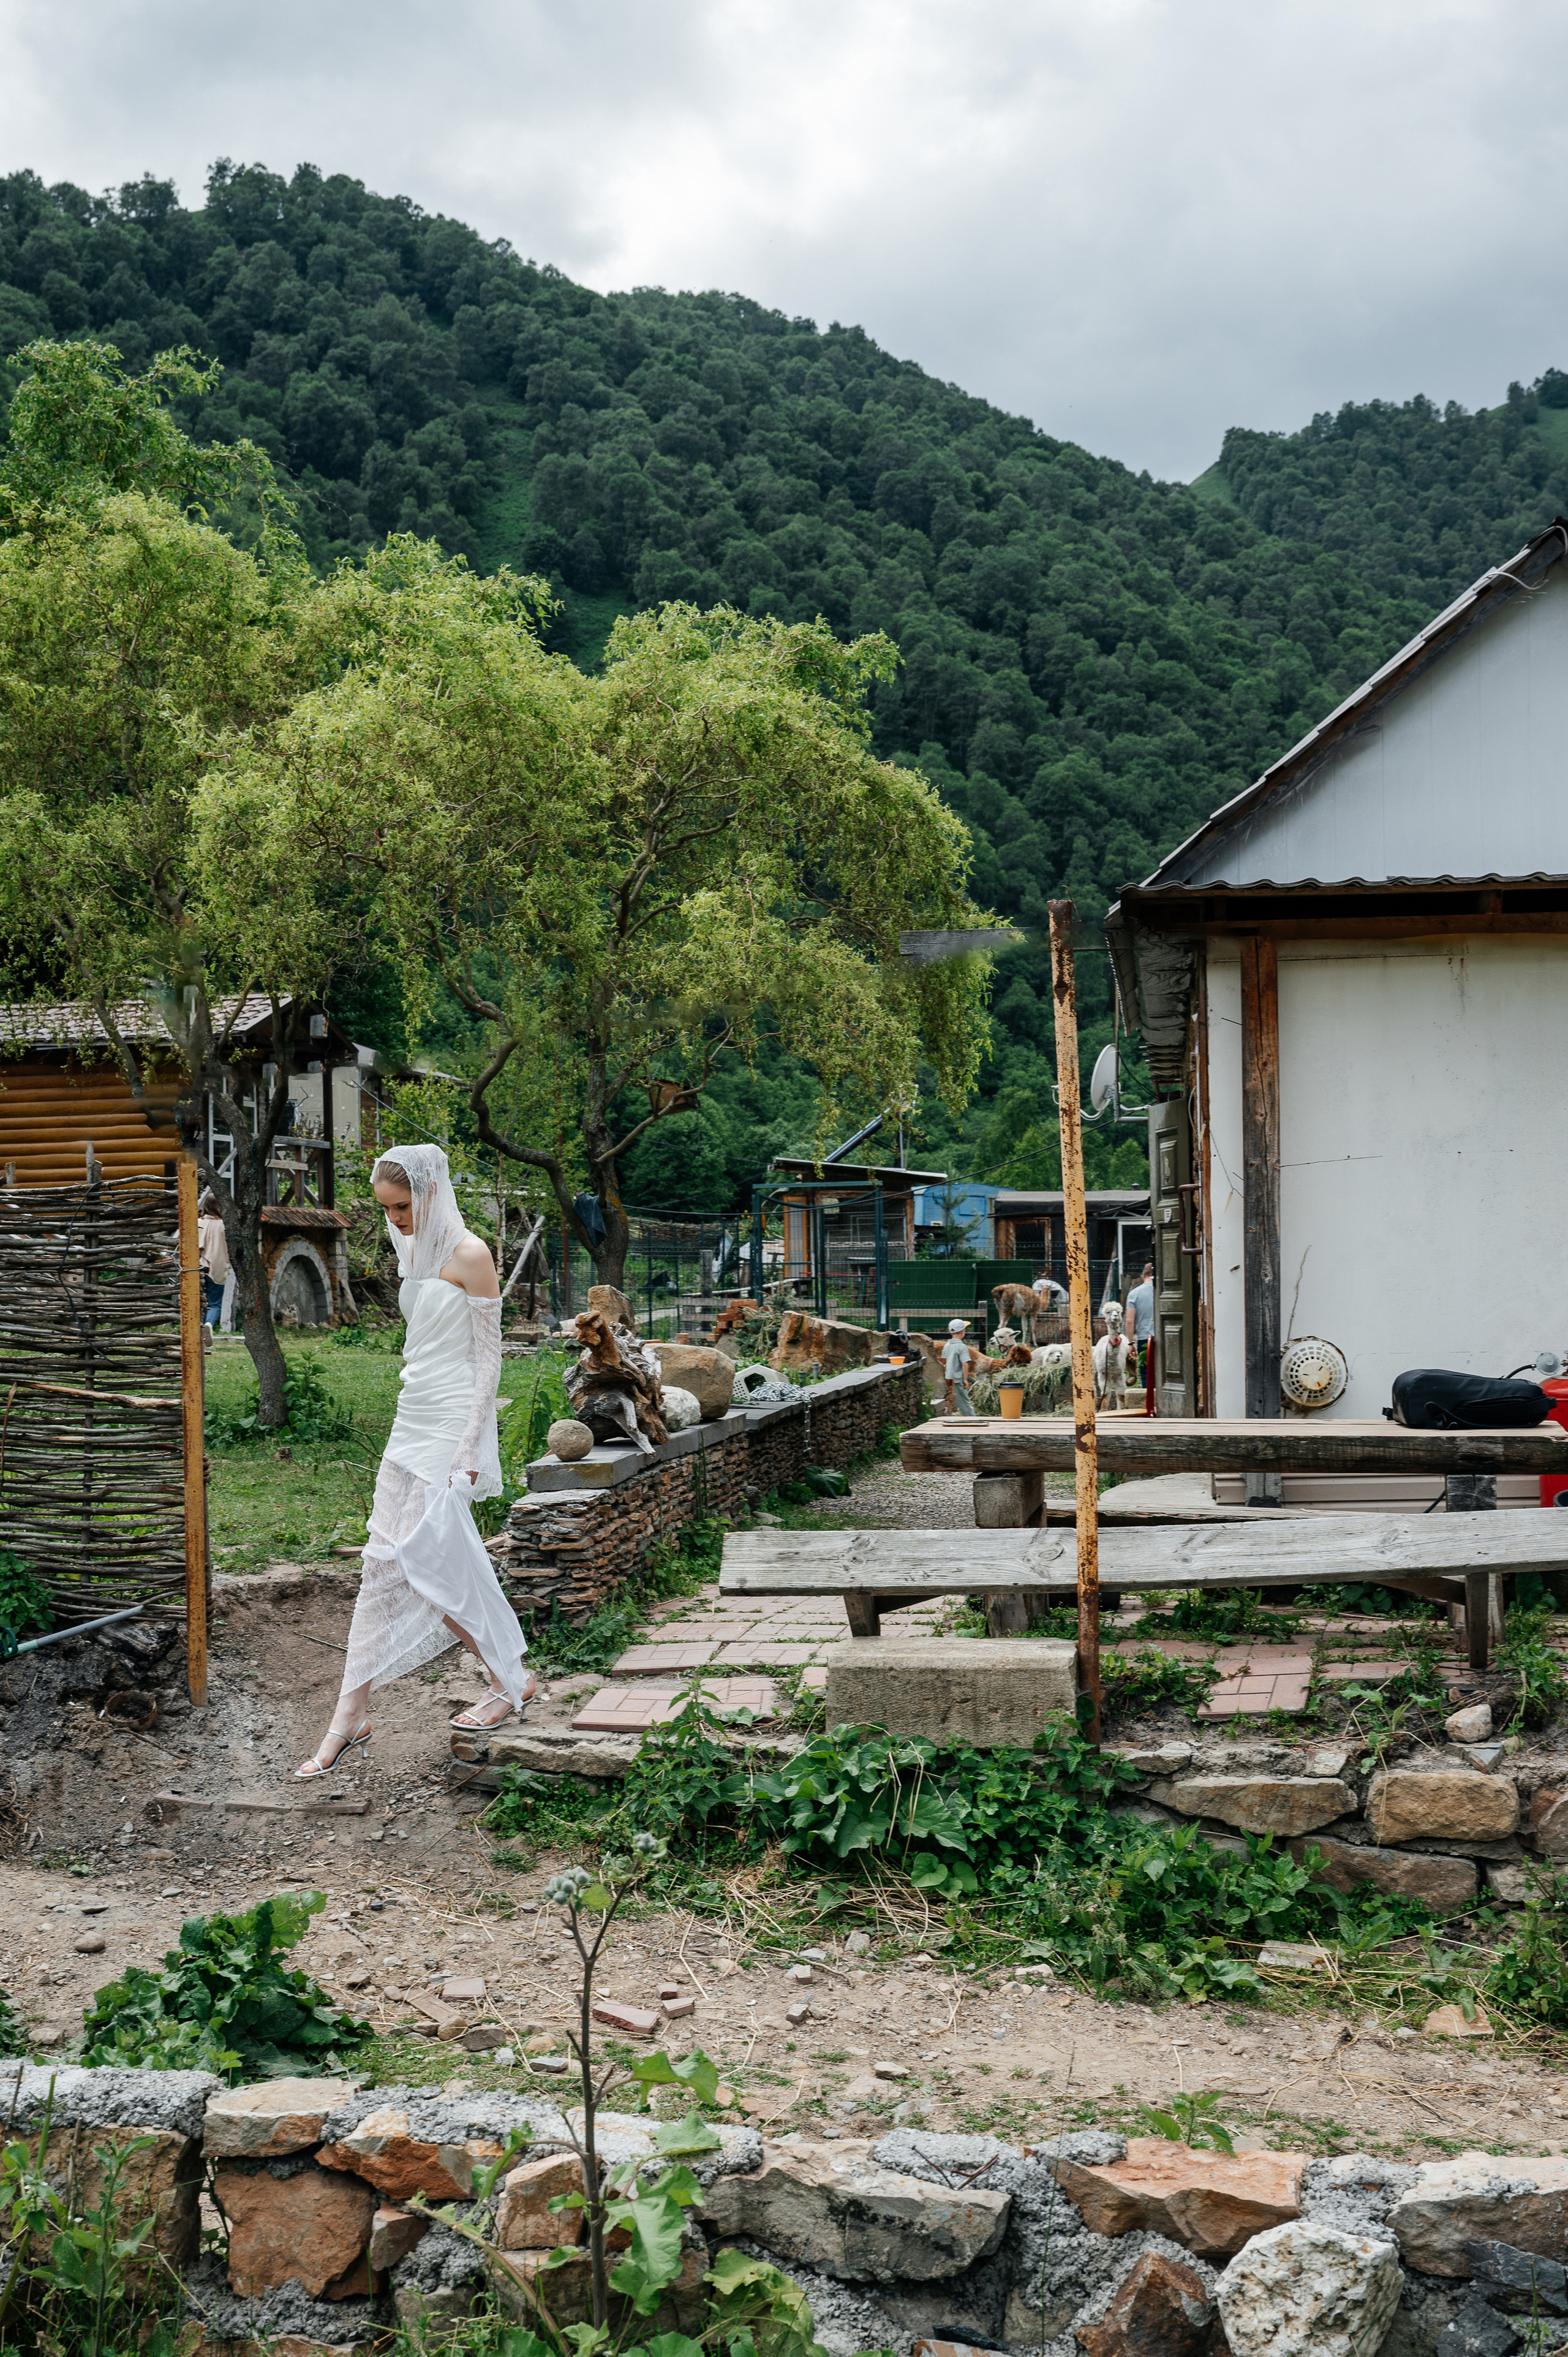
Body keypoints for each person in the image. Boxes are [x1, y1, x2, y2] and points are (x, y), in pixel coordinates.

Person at [294, 1144, 535, 1779]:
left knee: (433, 1557)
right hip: (411, 1415)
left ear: (430, 1193)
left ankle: (509, 1677)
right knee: (383, 1561)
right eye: (386, 1209)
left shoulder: (472, 1255)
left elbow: (489, 1360)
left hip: (451, 1422)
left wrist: (470, 1446)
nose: (394, 1220)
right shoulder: (413, 1249)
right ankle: (351, 1715)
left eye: (402, 1207)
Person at [196, 1191, 230, 1330]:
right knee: (214, 1303)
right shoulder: (225, 1226)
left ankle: (198, 1330)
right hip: (218, 1268)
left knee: (198, 1302)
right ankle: (209, 1324)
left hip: (198, 1267)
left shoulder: (198, 1223)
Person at [942, 1316, 977, 1416]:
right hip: (957, 1380)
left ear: (950, 1332)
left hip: (947, 1377)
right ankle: (973, 1421)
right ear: (963, 1331)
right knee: (965, 1403)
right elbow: (965, 1363)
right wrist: (965, 1379)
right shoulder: (962, 1346)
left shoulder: (947, 1345)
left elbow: (944, 1361)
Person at [1126, 1262, 1155, 1381]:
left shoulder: (1134, 1294)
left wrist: (1131, 1343)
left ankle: (1148, 1399)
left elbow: (1129, 1321)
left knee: (1146, 1374)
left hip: (1145, 1339)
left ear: (1143, 1277)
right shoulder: (1164, 1290)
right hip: (1166, 1337)